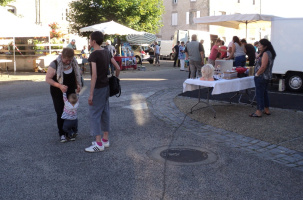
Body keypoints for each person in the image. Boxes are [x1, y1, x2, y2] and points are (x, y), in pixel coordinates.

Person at [85, 31, 120, 153]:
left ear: (93, 41)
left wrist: (90, 94)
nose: (89, 41)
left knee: (94, 114)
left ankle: (98, 142)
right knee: (105, 112)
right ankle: (105, 139)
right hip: (106, 86)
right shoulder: (106, 52)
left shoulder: (94, 55)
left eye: (90, 39)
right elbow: (118, 67)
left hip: (98, 87)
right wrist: (115, 78)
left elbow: (94, 75)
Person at [45, 48, 82, 142]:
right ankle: (62, 133)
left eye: (70, 59)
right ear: (62, 56)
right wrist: (59, 86)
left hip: (70, 91)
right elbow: (48, 79)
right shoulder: (55, 64)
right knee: (61, 112)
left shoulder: (73, 63)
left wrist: (78, 84)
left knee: (71, 110)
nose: (68, 62)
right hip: (57, 91)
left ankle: (70, 132)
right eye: (66, 60)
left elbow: (77, 75)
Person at [249, 39, 276, 117]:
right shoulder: (270, 53)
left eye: (260, 45)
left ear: (265, 46)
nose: (258, 46)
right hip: (267, 76)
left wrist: (257, 74)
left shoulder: (265, 54)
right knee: (264, 93)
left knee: (259, 94)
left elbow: (263, 66)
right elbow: (258, 57)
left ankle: (259, 111)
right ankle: (266, 109)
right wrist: (260, 52)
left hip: (261, 76)